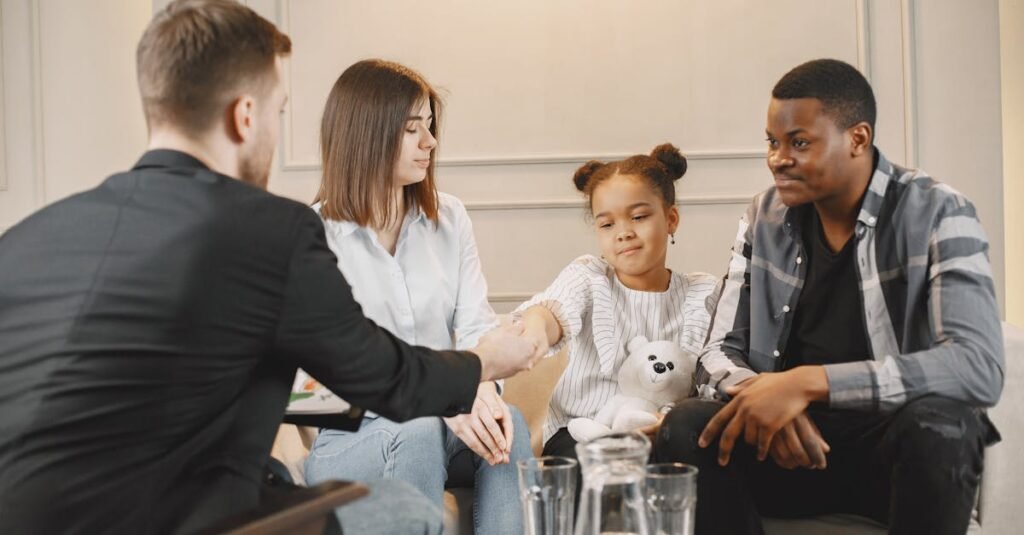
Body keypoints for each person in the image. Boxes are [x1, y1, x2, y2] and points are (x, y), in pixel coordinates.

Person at [0, 1, 538, 534]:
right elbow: (380, 375)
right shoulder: (271, 230)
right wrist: (485, 361)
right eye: (279, 112)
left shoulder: (26, 240)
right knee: (409, 510)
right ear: (245, 116)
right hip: (180, 516)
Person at [655, 58, 1003, 535]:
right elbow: (719, 350)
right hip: (781, 447)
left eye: (799, 142)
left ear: (857, 139)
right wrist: (767, 397)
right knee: (687, 424)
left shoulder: (938, 212)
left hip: (890, 456)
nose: (778, 158)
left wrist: (807, 383)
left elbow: (977, 366)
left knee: (943, 427)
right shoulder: (764, 216)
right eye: (772, 143)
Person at [301, 59, 532, 533]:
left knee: (510, 423)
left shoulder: (450, 218)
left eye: (430, 126)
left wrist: (479, 391)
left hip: (445, 420)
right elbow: (306, 392)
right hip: (350, 441)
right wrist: (438, 400)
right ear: (366, 133)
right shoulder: (312, 236)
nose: (430, 142)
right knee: (419, 428)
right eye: (412, 129)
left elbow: (476, 329)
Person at [516, 143, 719, 468]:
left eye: (638, 217)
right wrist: (537, 328)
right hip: (579, 431)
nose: (623, 233)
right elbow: (552, 312)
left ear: (671, 219)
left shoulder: (701, 293)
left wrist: (663, 422)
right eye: (607, 224)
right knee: (604, 472)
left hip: (662, 433)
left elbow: (712, 377)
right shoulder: (589, 276)